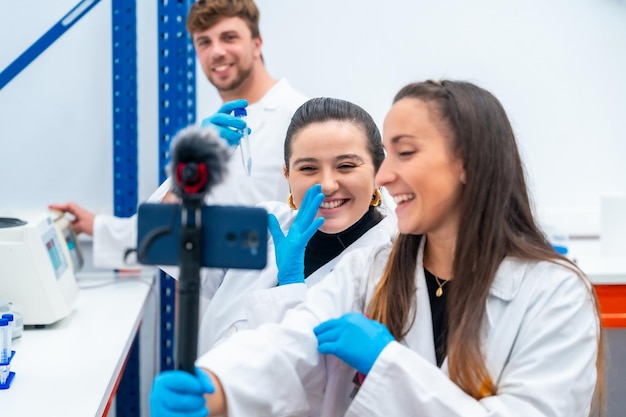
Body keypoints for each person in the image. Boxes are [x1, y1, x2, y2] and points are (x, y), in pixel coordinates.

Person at [149, 80, 604, 417]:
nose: (387, 176)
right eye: (307, 167)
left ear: (467, 163)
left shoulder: (556, 295)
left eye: (402, 154)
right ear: (286, 174)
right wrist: (216, 385)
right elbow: (293, 343)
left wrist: (389, 364)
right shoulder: (377, 268)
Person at [49, 0, 307, 269]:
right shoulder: (216, 129)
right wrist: (95, 226)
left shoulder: (298, 117)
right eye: (204, 42)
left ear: (256, 43)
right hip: (214, 299)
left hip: (276, 301)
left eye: (229, 37)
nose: (216, 52)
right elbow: (162, 225)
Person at [196, 97, 396, 354]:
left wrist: (291, 287)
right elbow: (164, 244)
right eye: (308, 168)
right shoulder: (263, 223)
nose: (327, 184)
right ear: (287, 175)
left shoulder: (391, 270)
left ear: (378, 171)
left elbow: (300, 372)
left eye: (346, 166)